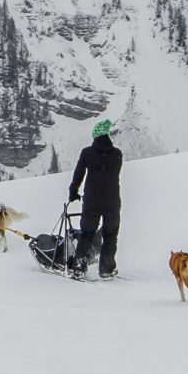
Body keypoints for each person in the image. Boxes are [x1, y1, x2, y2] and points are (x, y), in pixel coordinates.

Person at [67, 119, 123, 279]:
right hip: (112, 201)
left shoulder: (87, 153)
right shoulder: (117, 154)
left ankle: (78, 267)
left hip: (92, 200)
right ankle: (106, 268)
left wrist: (73, 192)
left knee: (87, 233)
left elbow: (78, 175)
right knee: (110, 235)